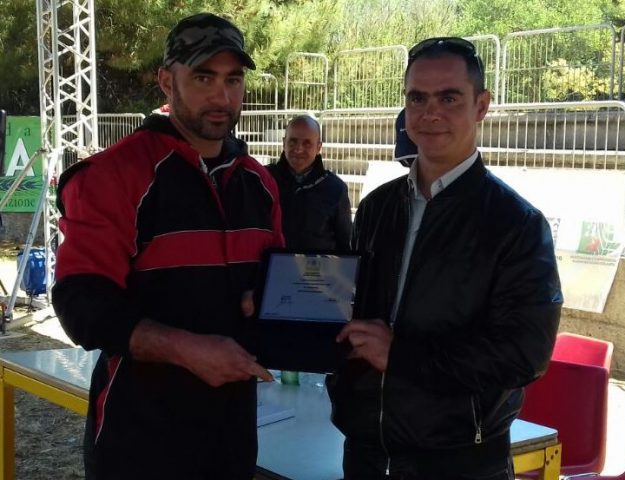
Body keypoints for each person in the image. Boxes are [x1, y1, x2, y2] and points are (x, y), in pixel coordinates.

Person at [51, 13, 283, 480]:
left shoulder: (260, 183)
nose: (222, 97)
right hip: (139, 441)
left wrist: (266, 301)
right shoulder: (114, 176)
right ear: (165, 81)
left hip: (232, 438)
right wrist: (185, 349)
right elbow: (81, 305)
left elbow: (272, 286)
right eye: (203, 78)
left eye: (233, 79)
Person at [327, 37, 563, 480]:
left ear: (481, 106)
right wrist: (280, 308)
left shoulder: (517, 224)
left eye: (449, 98)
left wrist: (402, 356)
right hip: (366, 454)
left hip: (461, 462)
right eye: (417, 98)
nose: (430, 113)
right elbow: (350, 307)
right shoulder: (377, 207)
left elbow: (525, 354)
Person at [267, 115, 352, 251]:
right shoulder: (264, 180)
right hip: (270, 263)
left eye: (307, 143)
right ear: (284, 143)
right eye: (293, 141)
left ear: (318, 147)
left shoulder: (335, 189)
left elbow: (344, 245)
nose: (298, 149)